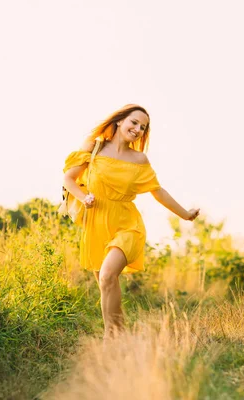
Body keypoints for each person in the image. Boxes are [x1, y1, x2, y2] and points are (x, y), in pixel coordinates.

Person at [62, 104, 200, 339]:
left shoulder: (139, 159)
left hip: (128, 225)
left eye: (142, 127)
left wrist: (185, 214)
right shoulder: (93, 147)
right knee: (106, 284)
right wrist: (84, 197)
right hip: (96, 224)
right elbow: (68, 179)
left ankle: (109, 339)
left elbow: (158, 191)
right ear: (119, 121)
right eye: (134, 122)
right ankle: (119, 338)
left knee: (107, 275)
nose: (137, 129)